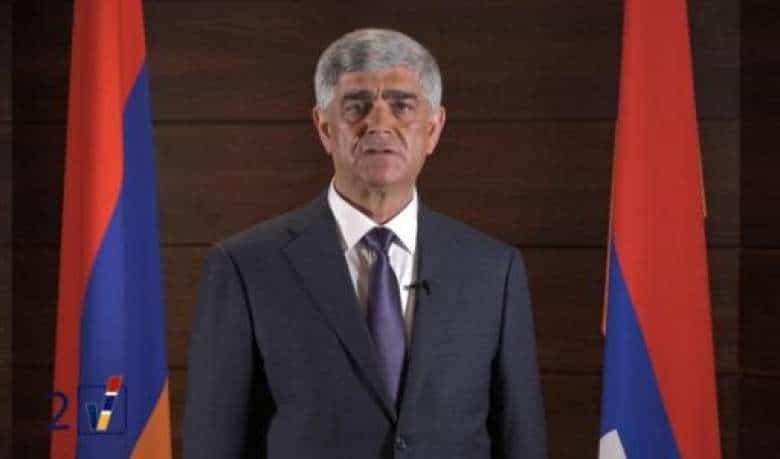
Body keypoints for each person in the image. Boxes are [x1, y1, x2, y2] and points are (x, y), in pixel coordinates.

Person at [182, 28, 546, 459]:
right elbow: (213, 442)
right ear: (324, 128)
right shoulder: (246, 267)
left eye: (402, 105)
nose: (379, 124)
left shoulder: (494, 271)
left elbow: (521, 440)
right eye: (357, 106)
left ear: (433, 129)